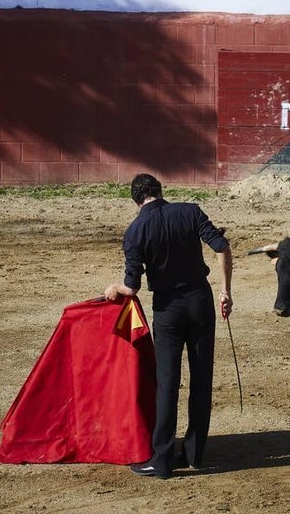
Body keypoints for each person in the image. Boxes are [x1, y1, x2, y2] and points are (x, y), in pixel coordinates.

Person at [104, 173, 233, 479]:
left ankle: (161, 460)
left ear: (137, 201)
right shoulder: (190, 211)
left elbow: (131, 286)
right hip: (200, 301)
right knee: (202, 377)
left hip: (168, 310)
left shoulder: (136, 230)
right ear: (161, 192)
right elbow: (222, 247)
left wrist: (115, 289)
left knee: (167, 382)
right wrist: (226, 291)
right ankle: (194, 453)